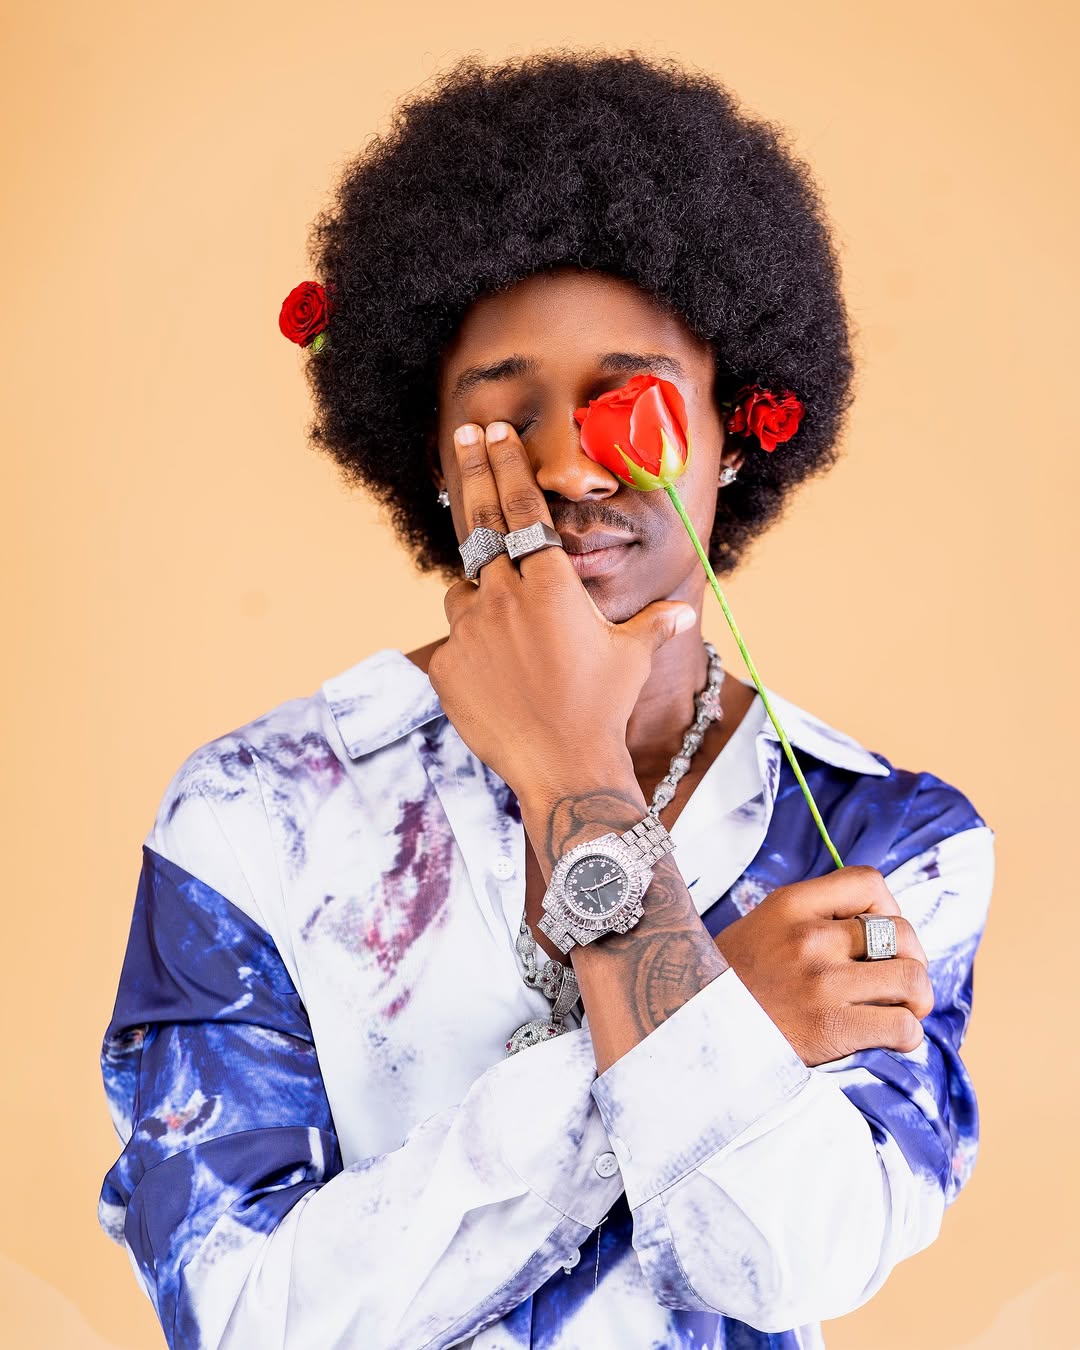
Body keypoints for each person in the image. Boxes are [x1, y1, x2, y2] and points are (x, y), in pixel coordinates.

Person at [97, 49, 995, 1350]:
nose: (572, 468)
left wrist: (577, 776)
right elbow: (242, 1316)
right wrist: (718, 1011)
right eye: (504, 418)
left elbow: (788, 1262)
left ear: (733, 431)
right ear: (430, 451)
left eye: (629, 403)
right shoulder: (253, 813)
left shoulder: (888, 839)